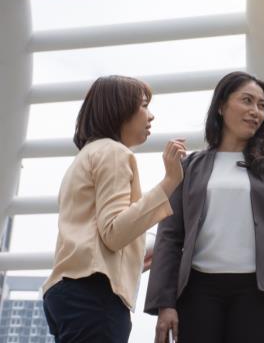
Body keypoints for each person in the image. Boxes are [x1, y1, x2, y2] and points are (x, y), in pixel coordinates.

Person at [145, 71, 264, 343]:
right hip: (197, 291)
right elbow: (170, 237)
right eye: (246, 101)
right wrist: (165, 304)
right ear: (221, 106)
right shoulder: (188, 168)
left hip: (256, 293)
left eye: (261, 105)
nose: (255, 111)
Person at [42, 75, 187, 343]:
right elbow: (114, 232)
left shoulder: (85, 157)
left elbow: (98, 236)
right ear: (118, 108)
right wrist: (170, 181)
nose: (151, 115)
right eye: (144, 105)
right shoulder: (115, 153)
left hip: (67, 291)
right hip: (95, 296)